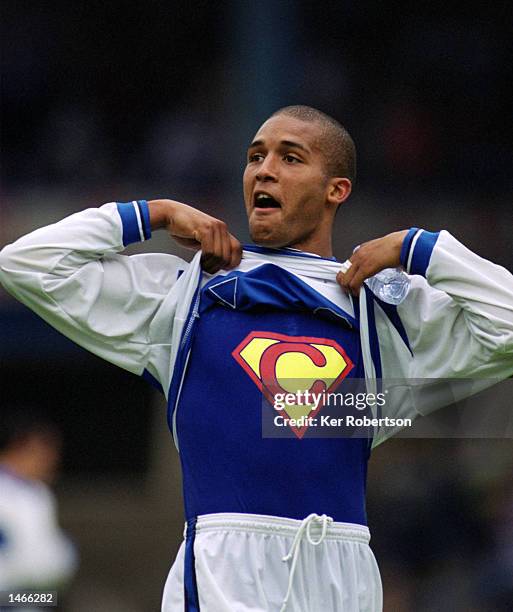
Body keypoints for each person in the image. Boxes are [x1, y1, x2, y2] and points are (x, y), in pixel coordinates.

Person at [0, 105, 512, 611]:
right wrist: (153, 213)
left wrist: (421, 248)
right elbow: (25, 264)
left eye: (290, 158)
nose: (264, 169)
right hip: (225, 572)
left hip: (343, 572)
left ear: (337, 189)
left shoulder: (380, 306)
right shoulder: (185, 292)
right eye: (255, 157)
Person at [0, 407, 77, 609]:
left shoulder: (36, 492)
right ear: (20, 446)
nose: (52, 459)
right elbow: (34, 563)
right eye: (45, 449)